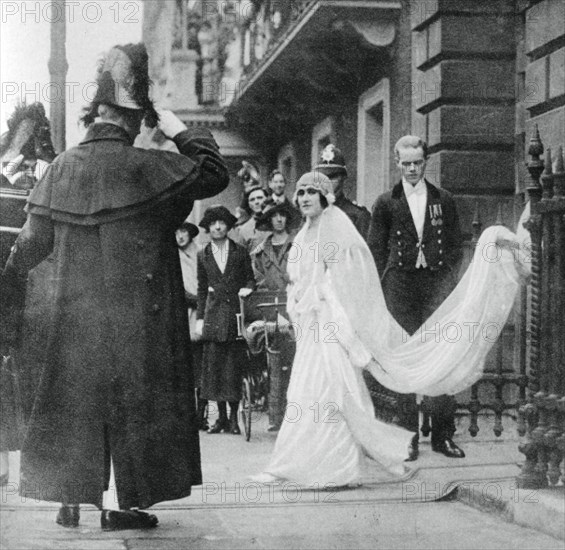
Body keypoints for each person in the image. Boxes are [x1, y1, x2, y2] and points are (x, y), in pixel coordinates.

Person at [0, 43, 229, 530]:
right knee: (135, 403)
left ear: (93, 115)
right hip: (137, 317)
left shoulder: (61, 168)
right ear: (135, 119)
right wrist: (177, 127)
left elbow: (29, 250)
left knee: (75, 396)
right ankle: (123, 506)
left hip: (75, 317)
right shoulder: (149, 167)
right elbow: (213, 172)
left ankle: (71, 500)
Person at [252, 170, 527, 486]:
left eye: (311, 193)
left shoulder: (336, 226)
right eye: (300, 194)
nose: (304, 199)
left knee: (334, 389)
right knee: (304, 389)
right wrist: (299, 302)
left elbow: (354, 276)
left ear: (324, 197)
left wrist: (325, 298)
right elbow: (299, 279)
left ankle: (335, 467)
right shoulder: (303, 234)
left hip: (332, 322)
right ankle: (295, 462)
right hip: (310, 323)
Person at [367, 135, 465, 460]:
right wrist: (380, 291)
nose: (412, 169)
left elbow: (455, 245)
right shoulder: (385, 202)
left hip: (435, 287)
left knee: (441, 357)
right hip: (400, 288)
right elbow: (375, 251)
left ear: (426, 161)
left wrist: (446, 277)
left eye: (418, 162)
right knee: (403, 360)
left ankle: (443, 436)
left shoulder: (443, 198)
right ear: (397, 163)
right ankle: (407, 436)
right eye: (406, 163)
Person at [196, 206, 255, 435]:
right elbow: (202, 289)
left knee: (232, 368)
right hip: (213, 316)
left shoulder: (240, 252)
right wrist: (200, 318)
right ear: (208, 227)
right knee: (215, 369)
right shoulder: (204, 254)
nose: (218, 227)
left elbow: (251, 279)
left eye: (221, 223)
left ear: (228, 226)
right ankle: (219, 418)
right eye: (213, 223)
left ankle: (233, 419)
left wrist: (247, 290)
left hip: (233, 315)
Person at [250, 202, 297, 431]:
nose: (279, 220)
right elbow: (258, 280)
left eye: (282, 216)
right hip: (271, 309)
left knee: (297, 362)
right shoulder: (259, 252)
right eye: (274, 217)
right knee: (274, 361)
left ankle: (296, 416)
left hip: (296, 307)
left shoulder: (299, 245)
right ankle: (276, 416)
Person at [176, 221, 208, 431]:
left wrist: (202, 301)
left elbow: (207, 280)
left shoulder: (201, 254)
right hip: (181, 312)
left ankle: (201, 413)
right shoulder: (171, 256)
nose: (180, 236)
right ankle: (183, 415)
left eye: (184, 231)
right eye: (177, 232)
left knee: (200, 364)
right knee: (180, 366)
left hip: (200, 312)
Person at [313, 144, 371, 239]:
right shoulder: (313, 213)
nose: (326, 181)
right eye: (322, 177)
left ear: (343, 177)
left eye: (332, 176)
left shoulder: (358, 216)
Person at [231, 186, 271, 252]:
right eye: (252, 200)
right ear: (249, 204)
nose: (256, 202)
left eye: (260, 198)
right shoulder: (244, 230)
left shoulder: (279, 221)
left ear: (267, 199)